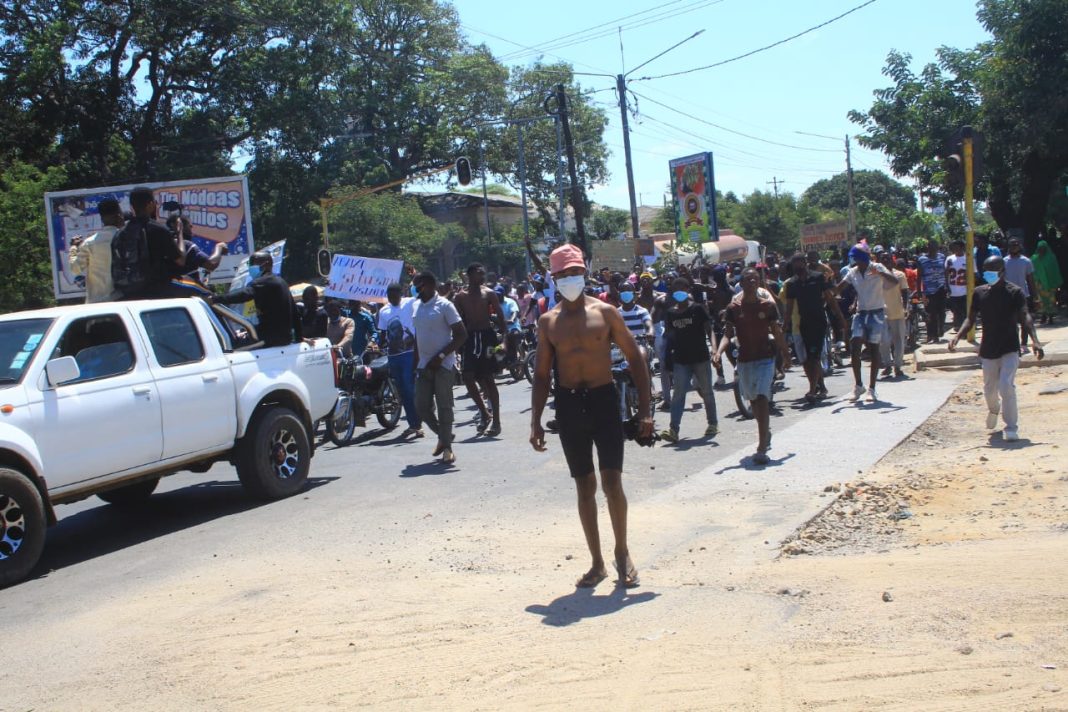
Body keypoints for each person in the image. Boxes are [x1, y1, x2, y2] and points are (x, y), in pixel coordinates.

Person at [530, 244, 651, 589]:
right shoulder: (548, 321)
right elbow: (541, 375)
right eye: (564, 274)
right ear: (553, 278)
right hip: (569, 405)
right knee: (585, 486)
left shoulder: (606, 313)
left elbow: (635, 358)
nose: (571, 278)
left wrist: (645, 410)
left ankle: (622, 553)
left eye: (575, 272)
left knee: (613, 483)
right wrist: (535, 421)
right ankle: (597, 562)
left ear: (584, 273)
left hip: (604, 400)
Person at [949, 255, 1044, 441]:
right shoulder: (979, 293)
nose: (987, 274)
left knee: (1006, 385)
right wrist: (957, 336)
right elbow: (970, 318)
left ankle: (1011, 426)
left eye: (991, 271)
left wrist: (1035, 340)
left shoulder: (1015, 292)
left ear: (1002, 272)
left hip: (1009, 346)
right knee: (989, 389)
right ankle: (994, 409)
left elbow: (1025, 316)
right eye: (985, 271)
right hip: (988, 348)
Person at [714, 268, 790, 465]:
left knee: (763, 398)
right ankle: (766, 432)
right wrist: (718, 352)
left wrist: (785, 353)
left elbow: (777, 331)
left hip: (765, 359)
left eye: (755, 280)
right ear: (742, 283)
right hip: (745, 360)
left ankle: (761, 446)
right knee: (754, 402)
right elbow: (727, 334)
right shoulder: (733, 308)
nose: (752, 283)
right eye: (748, 280)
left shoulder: (767, 306)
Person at [412, 271, 467, 464]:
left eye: (417, 285)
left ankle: (448, 449)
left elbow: (461, 335)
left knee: (444, 407)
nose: (414, 288)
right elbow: (417, 338)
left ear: (428, 285)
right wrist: (416, 364)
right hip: (423, 365)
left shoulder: (445, 306)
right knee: (421, 406)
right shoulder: (416, 306)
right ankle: (444, 437)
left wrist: (441, 356)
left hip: (443, 364)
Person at [835, 242, 900, 402]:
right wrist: (827, 291)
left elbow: (894, 282)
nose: (857, 262)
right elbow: (840, 287)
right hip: (861, 313)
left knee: (873, 348)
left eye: (858, 259)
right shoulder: (853, 272)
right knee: (854, 344)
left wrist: (880, 273)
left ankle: (872, 388)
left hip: (877, 313)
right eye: (855, 259)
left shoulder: (877, 267)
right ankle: (858, 386)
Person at [659, 277, 719, 444]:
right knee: (678, 394)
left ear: (687, 289)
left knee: (707, 391)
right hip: (680, 360)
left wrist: (714, 350)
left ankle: (712, 423)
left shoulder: (698, 309)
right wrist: (666, 358)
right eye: (675, 288)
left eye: (681, 288)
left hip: (700, 357)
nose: (678, 291)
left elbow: (710, 331)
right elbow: (669, 337)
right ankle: (674, 429)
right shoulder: (670, 313)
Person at [782, 253, 847, 401]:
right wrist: (784, 327)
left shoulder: (818, 277)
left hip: (819, 322)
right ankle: (821, 387)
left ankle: (812, 390)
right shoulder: (791, 284)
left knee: (814, 355)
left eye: (800, 263)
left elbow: (830, 299)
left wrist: (840, 318)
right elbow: (789, 308)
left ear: (805, 263)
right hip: (804, 323)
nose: (798, 267)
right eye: (795, 264)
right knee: (808, 359)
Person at [453, 263, 506, 436]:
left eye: (483, 273)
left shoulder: (489, 293)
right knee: (467, 376)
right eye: (478, 273)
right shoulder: (460, 297)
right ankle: (484, 412)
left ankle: (496, 421)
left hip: (487, 338)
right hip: (470, 339)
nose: (482, 276)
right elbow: (458, 320)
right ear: (469, 275)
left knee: (488, 378)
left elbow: (499, 315)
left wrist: (504, 339)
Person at [213, 251, 302, 347]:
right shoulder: (282, 282)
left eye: (253, 263)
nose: (251, 267)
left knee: (233, 345)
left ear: (267, 264)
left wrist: (216, 299)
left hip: (269, 338)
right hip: (285, 338)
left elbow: (244, 295)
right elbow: (295, 313)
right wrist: (299, 338)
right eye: (249, 264)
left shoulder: (262, 282)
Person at [113, 186, 185, 299]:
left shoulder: (120, 233)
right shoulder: (159, 230)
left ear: (132, 206)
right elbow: (180, 260)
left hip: (130, 293)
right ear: (151, 204)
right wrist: (180, 232)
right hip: (158, 292)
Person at [377, 284, 422, 439]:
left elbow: (422, 295)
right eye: (389, 295)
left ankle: (418, 423)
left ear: (401, 293)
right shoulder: (383, 311)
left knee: (410, 389)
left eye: (395, 294)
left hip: (410, 353)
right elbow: (383, 333)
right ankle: (413, 424)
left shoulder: (410, 303)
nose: (392, 297)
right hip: (393, 356)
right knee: (402, 392)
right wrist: (377, 343)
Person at [68, 198, 124, 303]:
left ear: (101, 218)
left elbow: (76, 268)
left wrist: (74, 248)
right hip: (120, 300)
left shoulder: (89, 243)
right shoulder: (126, 239)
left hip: (96, 304)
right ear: (119, 215)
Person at [876, 248, 910, 379]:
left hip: (897, 311)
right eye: (882, 259)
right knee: (883, 341)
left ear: (892, 260)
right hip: (882, 312)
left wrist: (906, 307)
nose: (885, 261)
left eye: (887, 258)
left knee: (899, 340)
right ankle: (887, 364)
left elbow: (905, 292)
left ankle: (897, 366)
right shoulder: (875, 275)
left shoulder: (899, 275)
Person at [1003, 237, 1038, 349]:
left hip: (1024, 295)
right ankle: (1015, 344)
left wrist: (1035, 296)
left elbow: (1030, 279)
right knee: (1011, 322)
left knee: (1025, 321)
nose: (1014, 247)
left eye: (1016, 244)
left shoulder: (1026, 261)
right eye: (1012, 245)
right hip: (1008, 295)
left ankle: (1024, 343)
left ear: (1020, 246)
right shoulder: (1004, 261)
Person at [917, 240, 949, 343]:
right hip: (928, 290)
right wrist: (919, 290)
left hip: (941, 288)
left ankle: (940, 329)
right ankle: (931, 335)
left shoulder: (942, 257)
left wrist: (947, 286)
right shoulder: (922, 259)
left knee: (941, 312)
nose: (932, 248)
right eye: (930, 246)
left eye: (934, 246)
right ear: (927, 247)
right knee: (930, 313)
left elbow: (945, 273)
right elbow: (919, 276)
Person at [1032, 239, 1063, 324]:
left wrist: (1057, 282)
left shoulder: (1052, 257)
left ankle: (1050, 317)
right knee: (1041, 300)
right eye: (1040, 248)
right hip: (1039, 284)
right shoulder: (1034, 259)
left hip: (1051, 283)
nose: (1041, 249)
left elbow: (1055, 270)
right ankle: (1043, 316)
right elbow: (1031, 271)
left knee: (1051, 300)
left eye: (1043, 248)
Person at [945, 239, 969, 332]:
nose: (955, 249)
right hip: (953, 289)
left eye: (957, 247)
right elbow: (946, 274)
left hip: (964, 289)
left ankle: (965, 329)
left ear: (962, 247)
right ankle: (958, 327)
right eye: (953, 247)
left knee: (965, 310)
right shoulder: (950, 258)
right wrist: (947, 287)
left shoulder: (968, 258)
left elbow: (974, 273)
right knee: (956, 310)